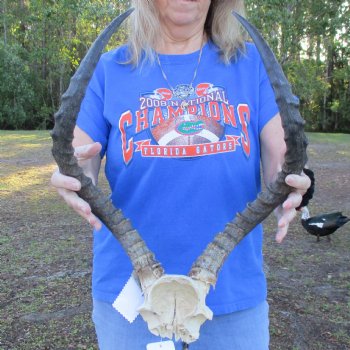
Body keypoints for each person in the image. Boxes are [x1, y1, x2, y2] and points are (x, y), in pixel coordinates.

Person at [51, 0, 311, 349]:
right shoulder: (111, 69)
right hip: (133, 299)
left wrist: (295, 185)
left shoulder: (250, 64)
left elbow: (283, 161)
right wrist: (71, 177)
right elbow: (82, 159)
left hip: (231, 296)